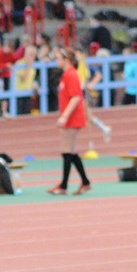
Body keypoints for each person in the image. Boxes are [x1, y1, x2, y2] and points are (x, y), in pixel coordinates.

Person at [48, 47, 92, 195]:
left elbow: (75, 98)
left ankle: (64, 185)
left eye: (58, 58)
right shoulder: (66, 74)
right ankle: (84, 182)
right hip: (70, 116)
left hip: (73, 117)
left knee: (67, 150)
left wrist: (65, 116)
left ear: (67, 60)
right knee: (69, 151)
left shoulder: (71, 74)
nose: (56, 61)